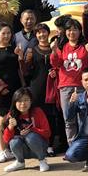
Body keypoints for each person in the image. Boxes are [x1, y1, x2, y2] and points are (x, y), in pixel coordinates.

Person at [0, 22, 25, 162]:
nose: (6, 36)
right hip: (2, 90)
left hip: (16, 89)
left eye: (8, 33)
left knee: (15, 119)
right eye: (3, 33)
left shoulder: (14, 48)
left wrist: (20, 56)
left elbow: (19, 69)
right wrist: (0, 87)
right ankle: (2, 150)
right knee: (1, 120)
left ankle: (13, 149)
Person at [50, 18, 88, 145]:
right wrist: (54, 50)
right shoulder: (61, 46)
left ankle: (84, 146)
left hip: (82, 86)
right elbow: (55, 63)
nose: (71, 32)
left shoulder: (85, 47)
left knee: (83, 117)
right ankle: (72, 146)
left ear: (79, 31)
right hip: (66, 86)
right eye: (69, 30)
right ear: (65, 32)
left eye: (75, 29)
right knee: (69, 119)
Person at [23, 23, 59, 156]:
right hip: (36, 87)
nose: (41, 35)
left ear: (48, 33)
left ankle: (49, 146)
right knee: (36, 115)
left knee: (51, 116)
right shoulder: (31, 50)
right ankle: (36, 144)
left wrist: (55, 71)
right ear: (36, 35)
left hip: (51, 86)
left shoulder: (54, 48)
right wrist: (23, 59)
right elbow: (26, 72)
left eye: (44, 32)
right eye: (38, 33)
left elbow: (60, 65)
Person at [2, 88, 51, 172]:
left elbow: (47, 133)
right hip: (23, 149)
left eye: (26, 100)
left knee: (31, 137)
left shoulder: (37, 111)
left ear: (31, 101)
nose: (23, 103)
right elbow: (6, 140)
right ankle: (20, 162)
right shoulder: (11, 115)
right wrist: (10, 126)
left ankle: (42, 160)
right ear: (14, 102)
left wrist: (32, 130)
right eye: (19, 101)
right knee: (14, 141)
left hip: (39, 146)